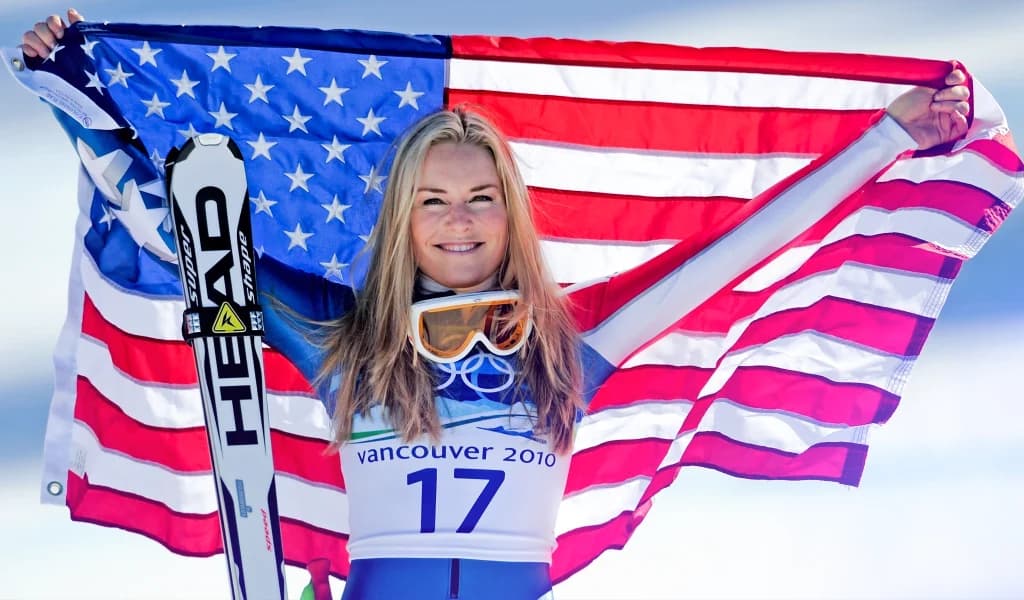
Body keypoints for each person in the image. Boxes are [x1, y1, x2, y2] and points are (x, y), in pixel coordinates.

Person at [21, 9, 971, 600]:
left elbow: (736, 255)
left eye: (481, 199)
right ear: (403, 218)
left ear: (510, 217)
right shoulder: (344, 343)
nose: (460, 222)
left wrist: (886, 136)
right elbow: (185, 228)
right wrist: (72, 91)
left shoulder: (570, 351)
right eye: (434, 201)